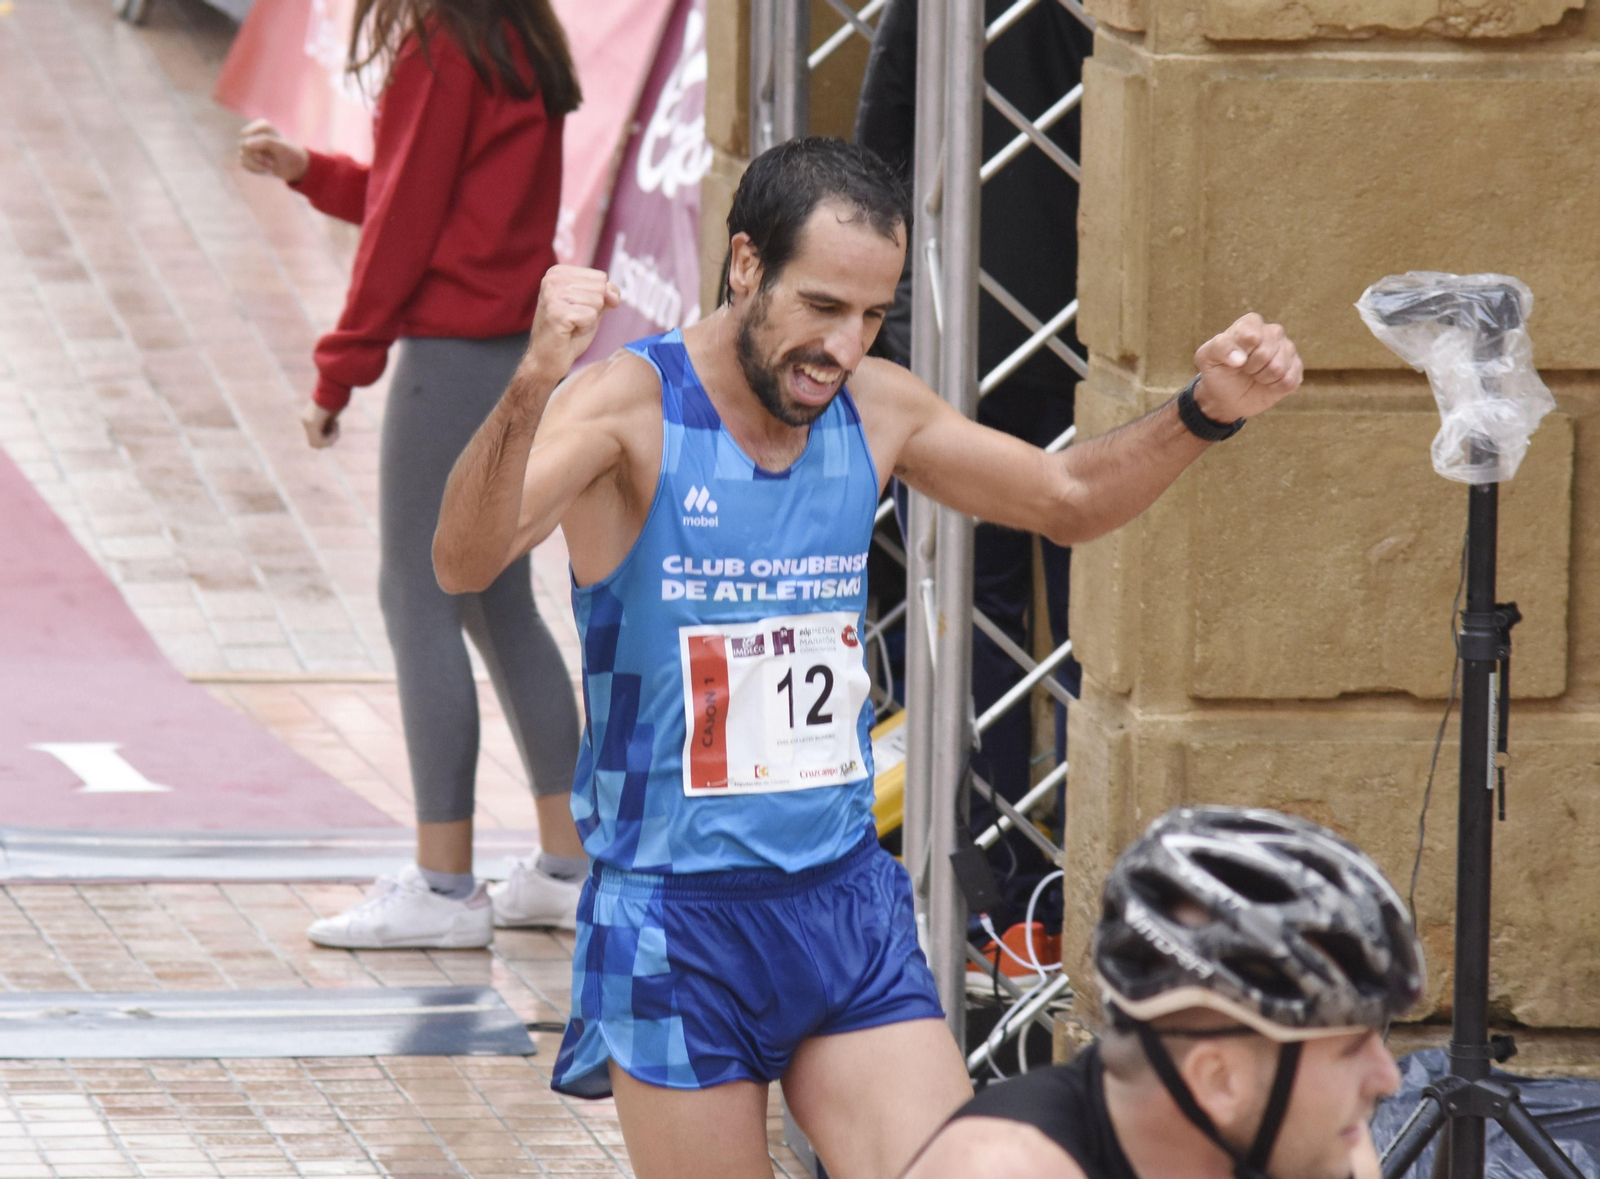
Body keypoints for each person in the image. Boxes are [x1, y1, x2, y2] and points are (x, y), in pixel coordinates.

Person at [432, 136, 1304, 1179]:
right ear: (745, 263)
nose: (843, 347)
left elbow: (1066, 502)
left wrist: (1205, 412)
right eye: (821, 307)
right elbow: (463, 559)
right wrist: (533, 379)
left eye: (871, 316)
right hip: (677, 915)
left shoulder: (875, 406)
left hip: (840, 901)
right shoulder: (628, 408)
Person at [235, 0, 589, 948]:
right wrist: (313, 173)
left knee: (422, 594)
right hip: (506, 346)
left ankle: (443, 885)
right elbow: (428, 196)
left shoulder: (443, 42)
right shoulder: (514, 30)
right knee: (496, 600)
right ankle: (569, 864)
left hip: (453, 356)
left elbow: (404, 225)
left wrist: (337, 370)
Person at [904, 806, 1425, 1179]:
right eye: (1351, 1049)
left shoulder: (1326, 1151)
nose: (1386, 1077)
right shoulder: (1006, 1166)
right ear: (1217, 1080)